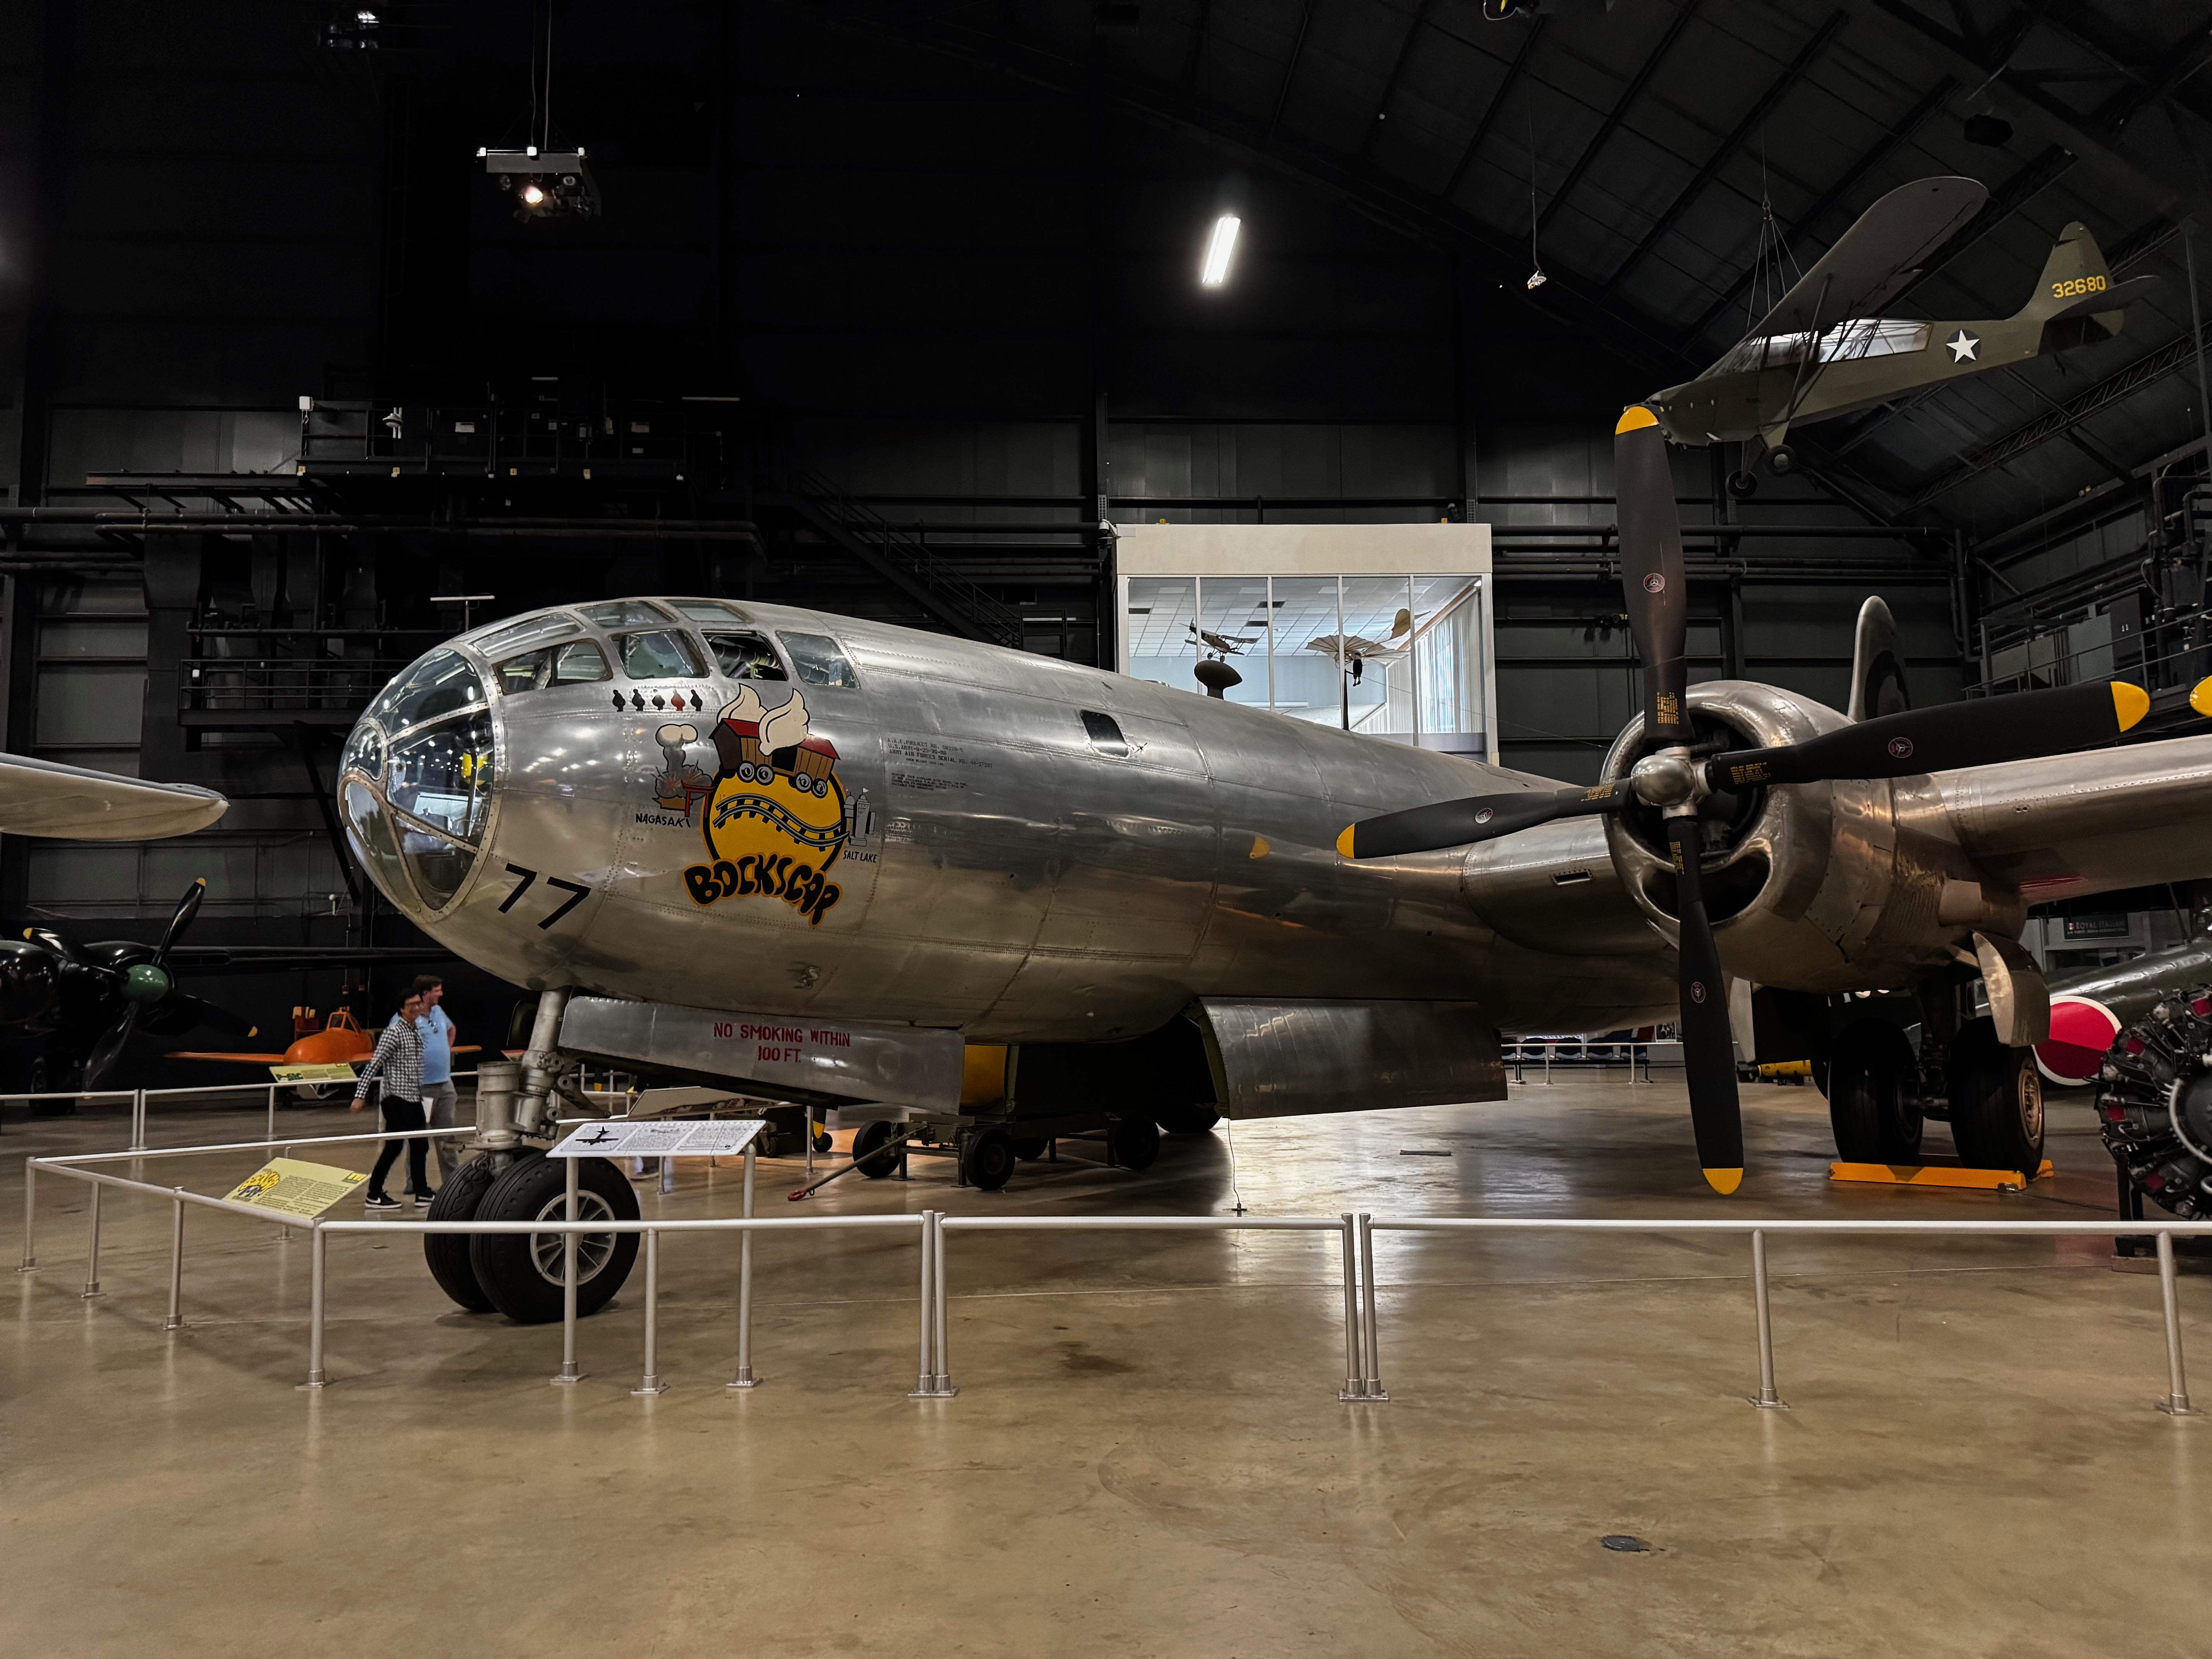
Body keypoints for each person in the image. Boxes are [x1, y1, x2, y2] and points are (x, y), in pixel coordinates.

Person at [352, 990, 429, 1211]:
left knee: (420, 1145)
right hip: (397, 1099)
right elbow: (374, 1065)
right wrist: (360, 1095)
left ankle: (422, 1192)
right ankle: (374, 1194)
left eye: (418, 1004)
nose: (416, 1008)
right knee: (394, 1147)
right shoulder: (394, 1032)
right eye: (411, 1005)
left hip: (413, 1098)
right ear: (401, 1009)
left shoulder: (414, 1030)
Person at [412, 974, 462, 1185]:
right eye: (437, 991)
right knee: (419, 1139)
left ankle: (452, 1182)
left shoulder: (439, 1012)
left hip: (445, 1085)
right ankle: (416, 1184)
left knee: (447, 1137)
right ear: (425, 993)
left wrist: (444, 1050)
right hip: (423, 1088)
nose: (441, 994)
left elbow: (452, 1029)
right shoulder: (408, 1016)